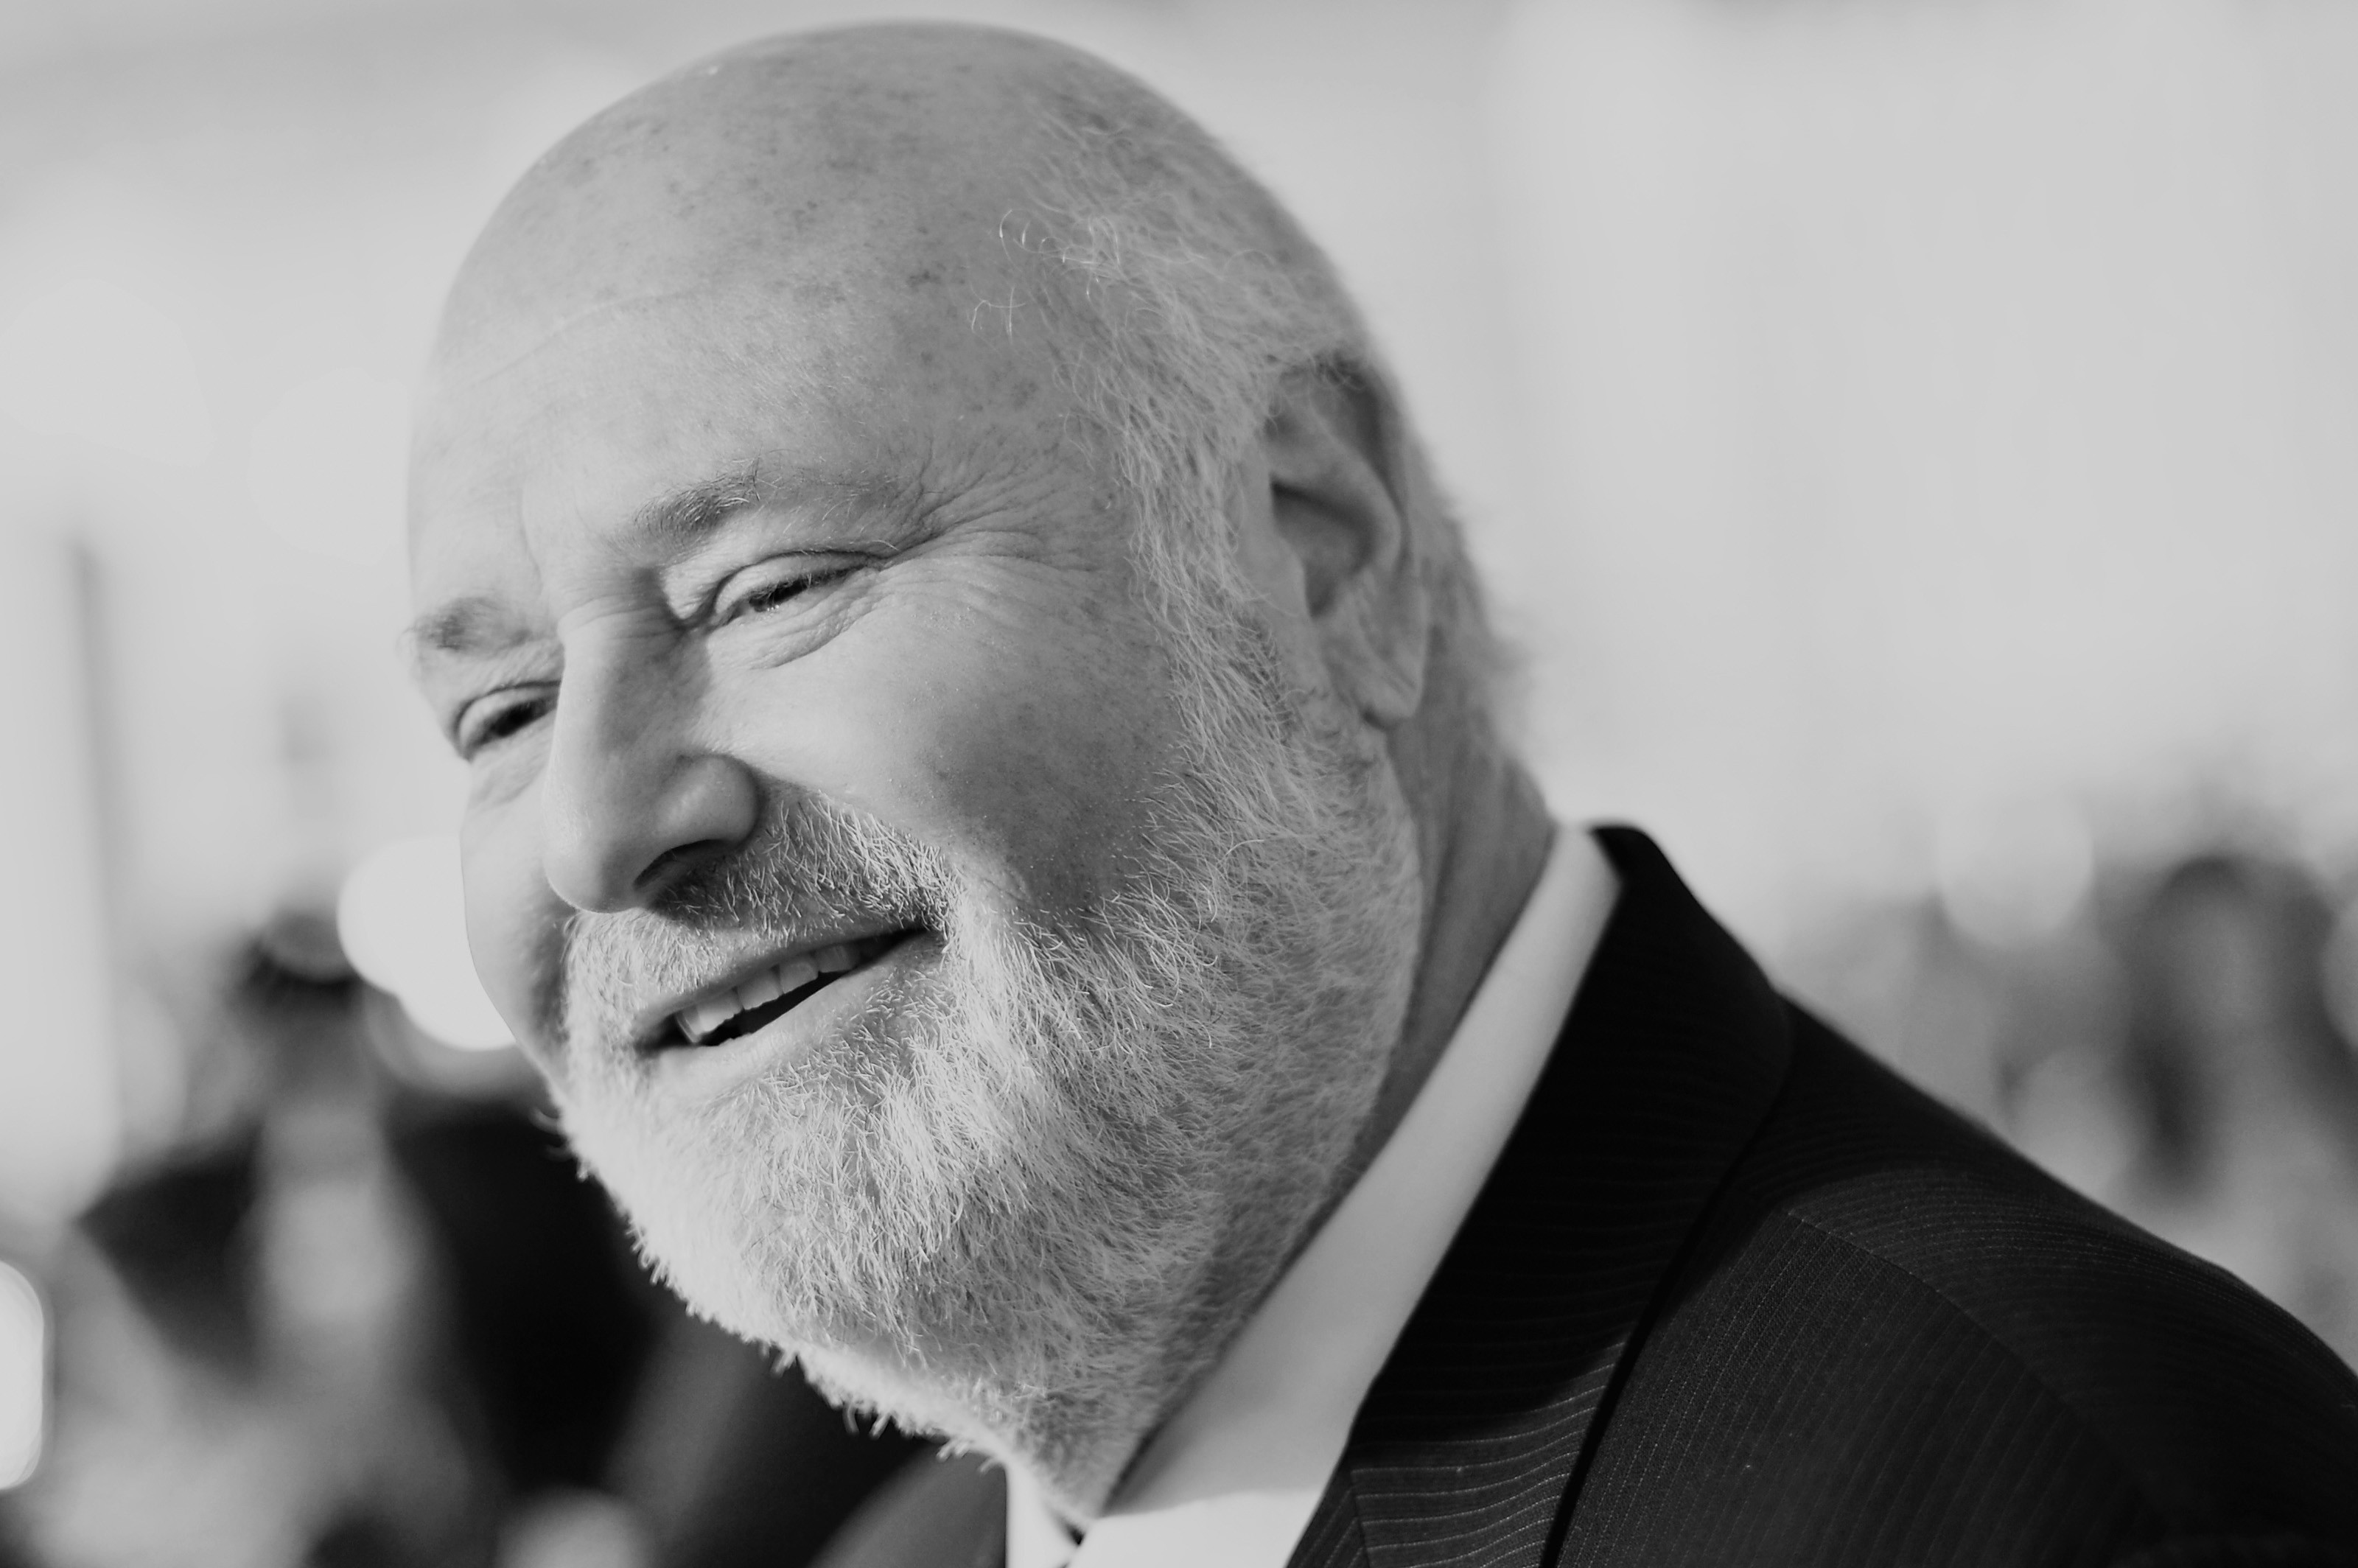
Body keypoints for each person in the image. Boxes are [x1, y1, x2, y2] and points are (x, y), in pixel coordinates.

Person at [402, 22, 2358, 1568]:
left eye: (767, 589)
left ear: (1320, 554)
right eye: (496, 712)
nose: (593, 823)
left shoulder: (2072, 1505)